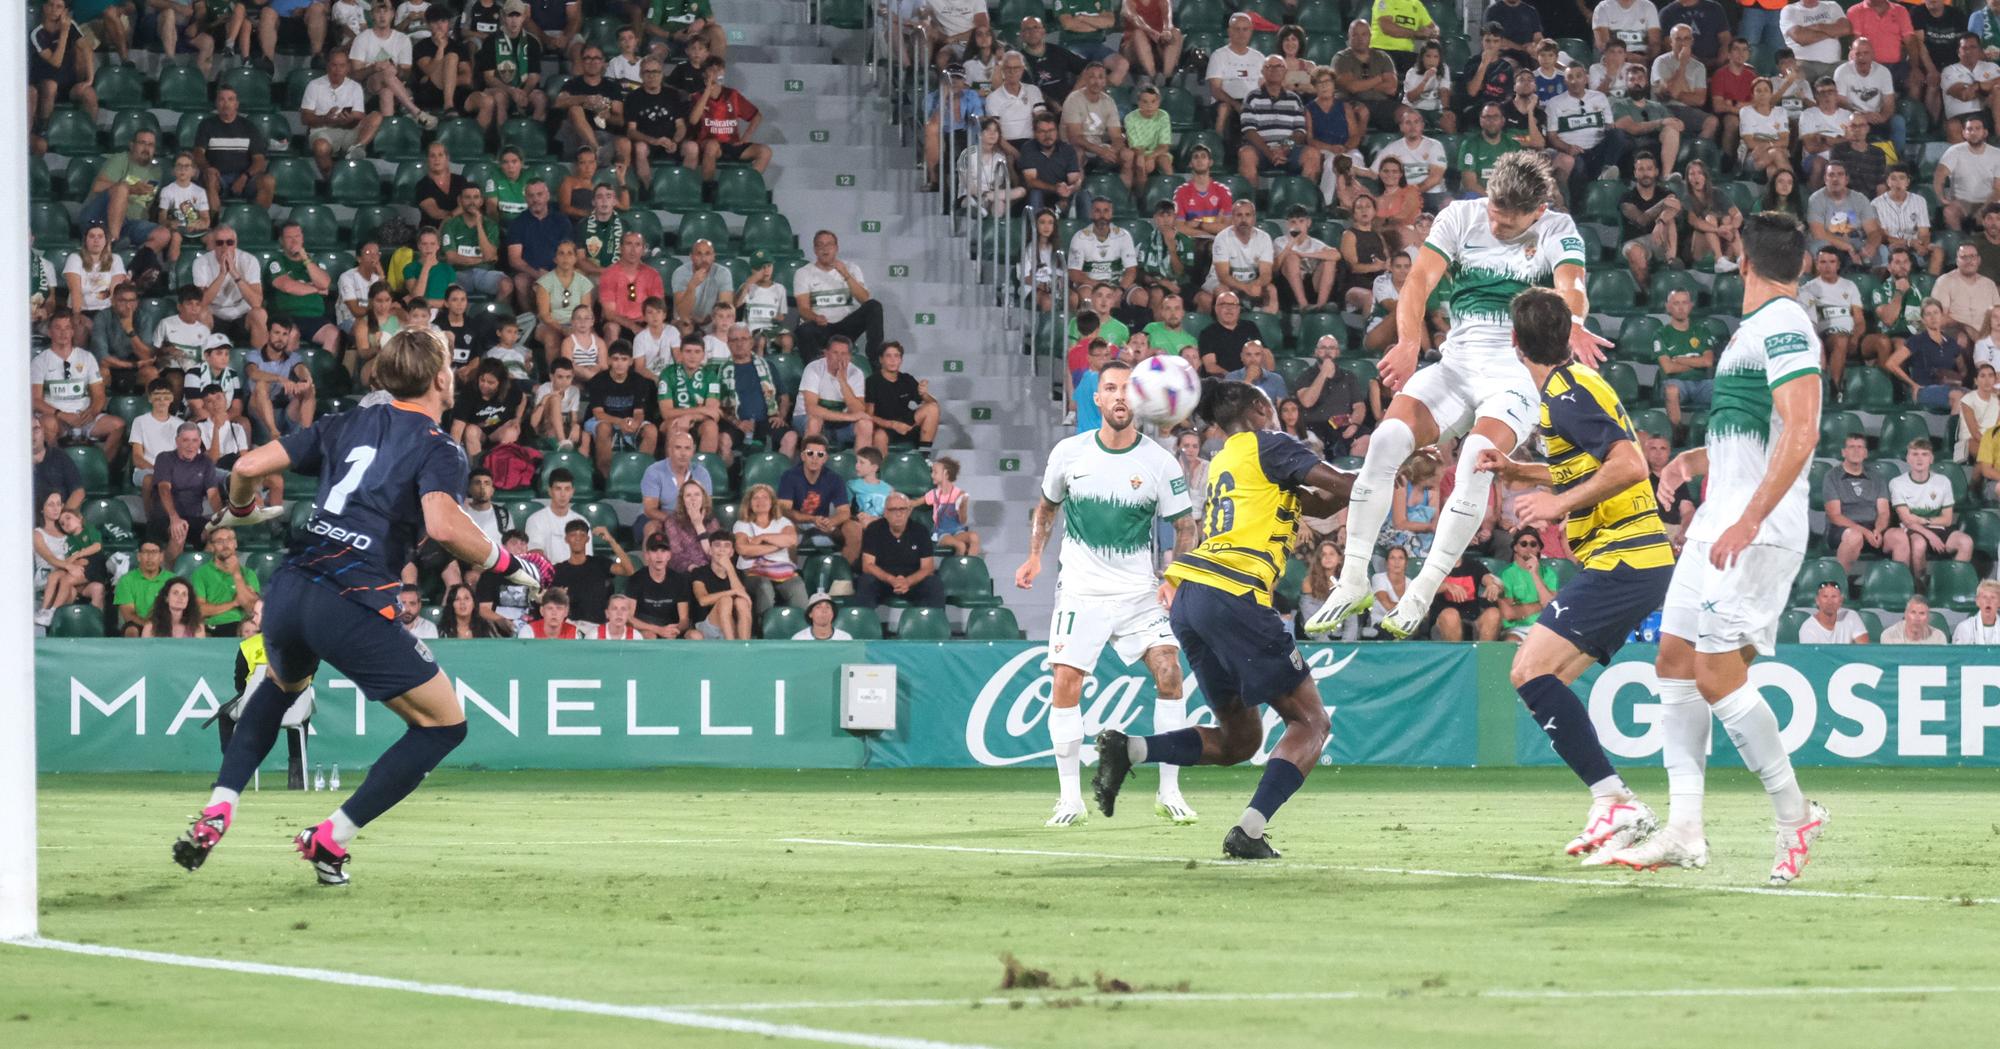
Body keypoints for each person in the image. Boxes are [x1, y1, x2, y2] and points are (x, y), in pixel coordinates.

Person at [172, 328, 545, 886]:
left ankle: (221, 805)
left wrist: (240, 511)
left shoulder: (344, 423)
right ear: (442, 378)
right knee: (444, 726)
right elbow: (444, 526)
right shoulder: (440, 447)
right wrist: (511, 565)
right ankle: (330, 837)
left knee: (281, 685)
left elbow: (247, 467)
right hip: (348, 599)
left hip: (291, 588)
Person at [1606, 211, 1829, 885]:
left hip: (1754, 526)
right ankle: (1685, 830)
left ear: (1741, 260)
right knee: (1672, 659)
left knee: (1715, 672)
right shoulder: (1753, 332)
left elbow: (1805, 426)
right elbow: (1757, 429)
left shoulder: (1787, 323)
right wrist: (1695, 460)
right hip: (1719, 518)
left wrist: (1751, 516)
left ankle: (1795, 816)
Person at [1309, 153, 1606, 642]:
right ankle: (1354, 577)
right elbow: (1420, 281)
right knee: (1384, 444)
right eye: (1492, 210)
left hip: (1514, 372)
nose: (1494, 221)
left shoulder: (1557, 227)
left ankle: (1423, 589)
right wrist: (1407, 344)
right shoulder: (1460, 215)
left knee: (1475, 460)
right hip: (1455, 363)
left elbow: (1572, 285)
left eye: (1507, 221)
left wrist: (1573, 324)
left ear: (1538, 210)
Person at [1094, 379, 1356, 859]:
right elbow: (1344, 487)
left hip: (1193, 598)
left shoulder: (1227, 463)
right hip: (1235, 591)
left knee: (1240, 740)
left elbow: (1323, 501)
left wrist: (1359, 485)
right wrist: (1387, 469)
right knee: (1312, 723)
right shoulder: (1270, 445)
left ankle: (1128, 749)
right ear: (1262, 407)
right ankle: (1249, 833)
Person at [1475, 286, 1677, 856]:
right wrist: (1526, 473)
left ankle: (1614, 800)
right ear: (1566, 336)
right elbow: (1593, 462)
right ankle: (1614, 802)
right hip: (1635, 561)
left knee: (1527, 672)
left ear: (1516, 344)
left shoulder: (1563, 395)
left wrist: (1557, 505)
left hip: (1624, 556)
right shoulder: (1575, 386)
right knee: (1547, 680)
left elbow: (1630, 465)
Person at [1014, 359, 1198, 828]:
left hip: (1138, 594)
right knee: (1065, 684)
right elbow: (1045, 508)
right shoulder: (1069, 453)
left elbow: (1185, 526)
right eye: (1109, 388)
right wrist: (1035, 555)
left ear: (1137, 399)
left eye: (1125, 390)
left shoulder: (1159, 462)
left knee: (1170, 672)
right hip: (1081, 592)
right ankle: (1069, 798)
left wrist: (1173, 578)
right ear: (1096, 399)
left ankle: (1170, 792)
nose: (1118, 397)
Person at [1886, 437, 1975, 588]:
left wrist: (1925, 521)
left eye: (1924, 454)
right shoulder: (1897, 483)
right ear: (1908, 458)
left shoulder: (1943, 481)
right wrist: (1929, 534)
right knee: (1919, 544)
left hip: (1938, 528)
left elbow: (1947, 519)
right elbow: (1907, 520)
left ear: (1931, 458)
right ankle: (1918, 586)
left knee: (1966, 542)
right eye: (1915, 454)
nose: (1919, 458)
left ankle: (1952, 586)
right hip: (1912, 529)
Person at [855, 492, 945, 611]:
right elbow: (868, 565)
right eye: (893, 510)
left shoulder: (920, 531)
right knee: (865, 581)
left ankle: (931, 626)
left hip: (912, 581)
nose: (898, 514)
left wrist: (907, 582)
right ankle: (864, 627)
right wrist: (892, 580)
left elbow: (927, 567)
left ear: (909, 511)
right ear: (885, 513)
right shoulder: (874, 529)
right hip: (883, 581)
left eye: (902, 509)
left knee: (934, 584)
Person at [731, 483, 807, 622]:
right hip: (752, 571)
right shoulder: (742, 524)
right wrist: (777, 546)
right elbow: (743, 549)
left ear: (772, 502)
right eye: (756, 498)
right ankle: (765, 627)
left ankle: (800, 627)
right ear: (749, 503)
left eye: (765, 497)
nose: (760, 501)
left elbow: (791, 540)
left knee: (797, 585)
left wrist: (762, 538)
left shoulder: (783, 522)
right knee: (764, 585)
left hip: (782, 569)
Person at [1822, 432, 1890, 573]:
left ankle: (1905, 587)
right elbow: (1835, 516)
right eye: (1851, 447)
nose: (1856, 450)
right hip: (1841, 528)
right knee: (1854, 536)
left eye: (1860, 447)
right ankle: (1839, 585)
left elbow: (1883, 512)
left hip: (1872, 528)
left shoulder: (1877, 477)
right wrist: (1865, 532)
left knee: (1899, 537)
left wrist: (1878, 530)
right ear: (1843, 452)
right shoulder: (1832, 476)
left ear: (1865, 453)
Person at [550, 520, 636, 624]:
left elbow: (629, 570)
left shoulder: (599, 563)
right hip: (570, 627)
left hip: (598, 627)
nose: (578, 538)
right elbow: (550, 602)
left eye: (582, 535)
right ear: (566, 539)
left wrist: (611, 541)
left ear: (587, 539)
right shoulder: (558, 570)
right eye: (573, 535)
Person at [191, 526, 261, 638]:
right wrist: (233, 603)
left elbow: (252, 608)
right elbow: (199, 610)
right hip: (215, 627)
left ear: (235, 543)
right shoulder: (200, 574)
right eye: (219, 541)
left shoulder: (248, 574)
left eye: (229, 539)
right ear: (212, 547)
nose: (225, 545)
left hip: (244, 628)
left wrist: (236, 574)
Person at [689, 531, 752, 639]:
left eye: (726, 546)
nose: (722, 549)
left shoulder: (738, 573)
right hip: (708, 626)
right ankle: (730, 647)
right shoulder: (699, 572)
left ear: (732, 552)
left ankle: (744, 647)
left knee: (741, 602)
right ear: (710, 550)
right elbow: (703, 600)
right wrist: (733, 592)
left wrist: (730, 568)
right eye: (717, 545)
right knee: (725, 600)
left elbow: (743, 597)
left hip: (733, 627)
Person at [1798, 580, 1870, 643]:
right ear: (1817, 601)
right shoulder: (1808, 628)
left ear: (1840, 601)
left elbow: (1864, 648)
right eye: (1825, 596)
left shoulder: (1851, 616)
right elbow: (1813, 657)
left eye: (1834, 596)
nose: (1830, 602)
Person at [1880, 595, 1947, 644]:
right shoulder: (1889, 635)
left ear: (1928, 617)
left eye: (1922, 613)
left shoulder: (1938, 637)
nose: (1917, 618)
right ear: (1905, 615)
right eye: (1913, 612)